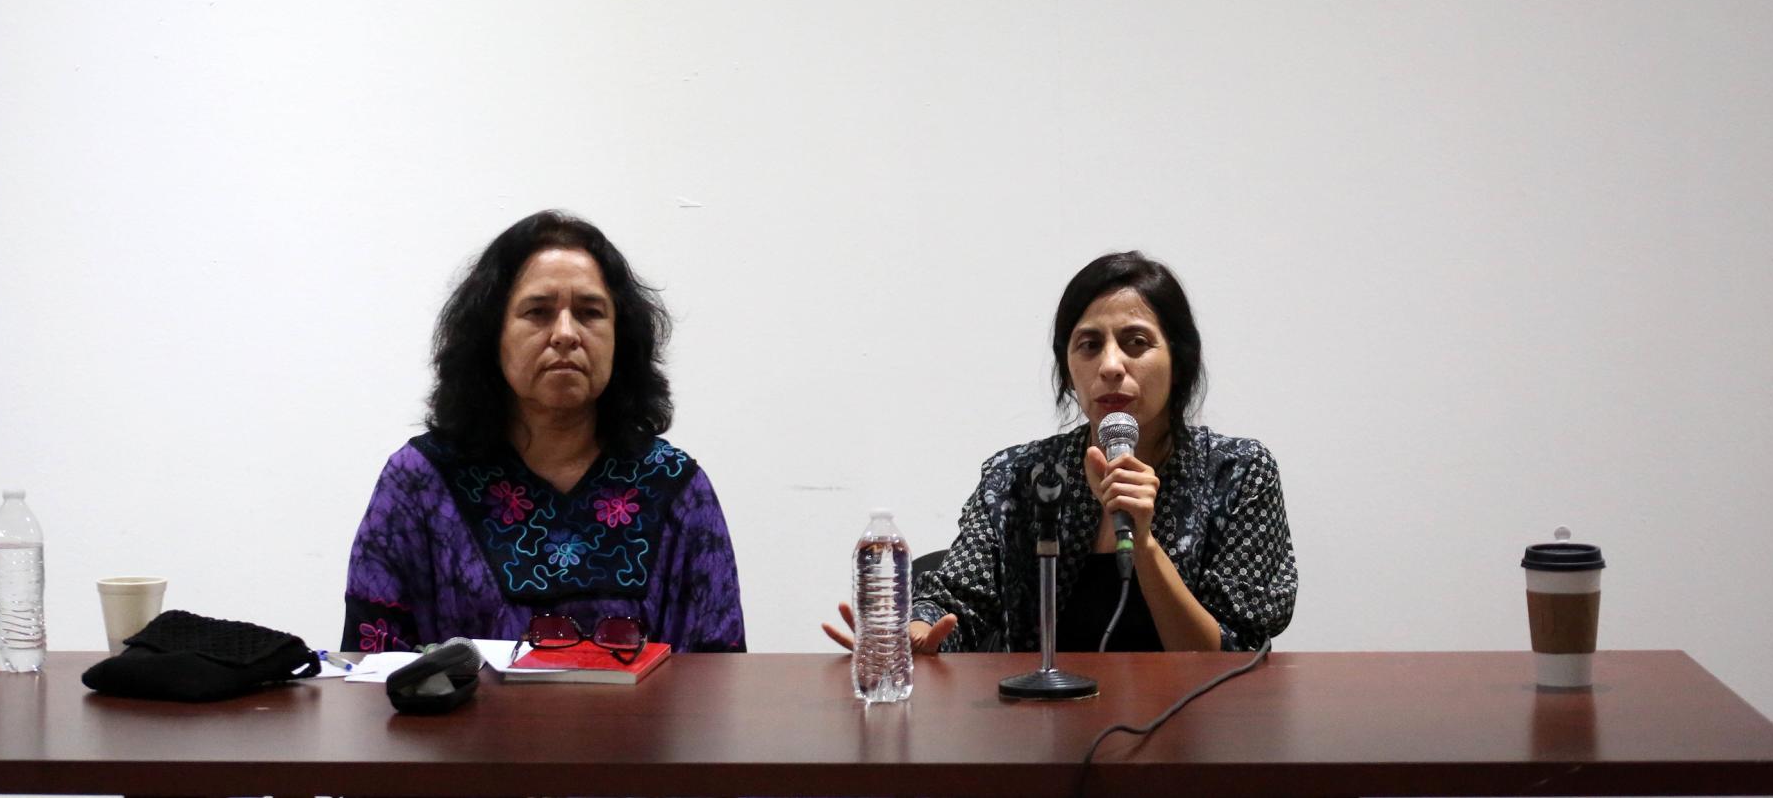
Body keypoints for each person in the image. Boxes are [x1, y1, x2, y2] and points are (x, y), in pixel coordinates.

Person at [824, 250, 1297, 654]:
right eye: (1089, 345)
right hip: (1044, 722)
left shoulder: (1238, 474)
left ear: (1180, 361)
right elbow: (958, 599)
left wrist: (1144, 543)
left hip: (1194, 726)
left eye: (1135, 343)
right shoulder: (1019, 475)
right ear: (1068, 369)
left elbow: (1231, 654)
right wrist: (915, 631)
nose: (1110, 366)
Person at [343, 210, 746, 654]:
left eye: (590, 313)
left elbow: (718, 673)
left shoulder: (675, 488)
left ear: (621, 337)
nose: (566, 334)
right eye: (538, 312)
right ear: (491, 333)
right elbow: (370, 670)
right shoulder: (420, 482)